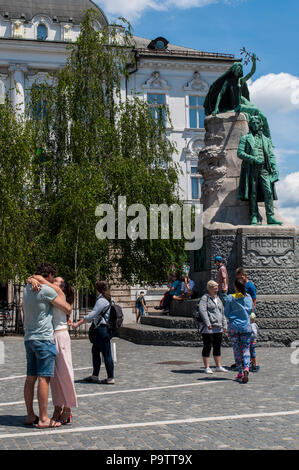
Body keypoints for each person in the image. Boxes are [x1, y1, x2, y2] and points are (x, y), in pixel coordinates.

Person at [22, 262, 72, 429]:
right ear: (49, 276)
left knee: (30, 378)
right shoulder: (46, 290)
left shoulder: (26, 289)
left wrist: (31, 278)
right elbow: (66, 307)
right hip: (44, 338)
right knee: (44, 378)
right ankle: (43, 418)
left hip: (29, 338)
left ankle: (30, 415)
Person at [73, 280, 114, 385]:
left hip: (102, 330)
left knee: (106, 354)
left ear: (97, 289)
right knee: (95, 351)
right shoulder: (109, 299)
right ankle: (95, 376)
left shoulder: (102, 301)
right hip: (102, 330)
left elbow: (92, 315)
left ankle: (110, 378)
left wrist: (78, 323)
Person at [224, 278, 253, 383]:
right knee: (246, 349)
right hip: (245, 326)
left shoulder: (230, 298)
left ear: (235, 287)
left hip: (234, 327)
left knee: (236, 350)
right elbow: (250, 311)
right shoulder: (248, 297)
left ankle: (240, 372)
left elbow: (226, 313)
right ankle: (246, 367)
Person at [199, 280, 228, 374]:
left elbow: (222, 312)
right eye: (215, 288)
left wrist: (225, 325)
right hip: (209, 327)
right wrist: (208, 323)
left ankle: (218, 365)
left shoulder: (218, 298)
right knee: (207, 345)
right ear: (209, 289)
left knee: (217, 346)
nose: (217, 290)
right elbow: (203, 311)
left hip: (218, 326)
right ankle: (207, 367)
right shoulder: (205, 298)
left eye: (217, 288)